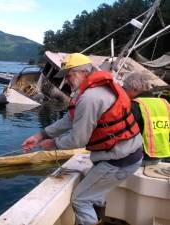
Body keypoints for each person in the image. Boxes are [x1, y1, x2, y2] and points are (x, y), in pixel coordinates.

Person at [22, 53, 143, 225]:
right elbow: (71, 118)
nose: (67, 80)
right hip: (128, 155)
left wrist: (54, 143)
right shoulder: (97, 90)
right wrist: (41, 135)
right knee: (92, 195)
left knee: (81, 200)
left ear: (83, 72)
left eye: (69, 75)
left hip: (119, 161)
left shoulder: (90, 97)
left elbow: (78, 139)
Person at [123, 73, 170, 164]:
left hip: (140, 156)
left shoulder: (134, 105)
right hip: (162, 154)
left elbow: (125, 133)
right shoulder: (164, 103)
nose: (124, 92)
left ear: (134, 89)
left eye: (125, 89)